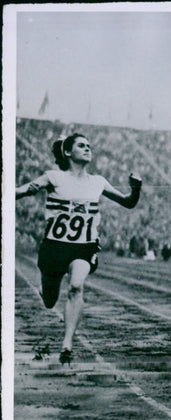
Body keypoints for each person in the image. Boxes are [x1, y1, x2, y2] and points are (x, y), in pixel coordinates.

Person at [15, 133, 142, 364]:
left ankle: (67, 345)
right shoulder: (53, 176)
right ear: (67, 152)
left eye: (89, 146)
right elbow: (19, 191)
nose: (87, 149)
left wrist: (136, 189)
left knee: (76, 286)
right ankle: (48, 288)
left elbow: (128, 202)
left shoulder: (98, 181)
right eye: (81, 146)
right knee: (49, 301)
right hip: (54, 246)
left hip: (84, 246)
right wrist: (27, 190)